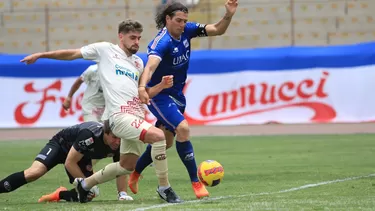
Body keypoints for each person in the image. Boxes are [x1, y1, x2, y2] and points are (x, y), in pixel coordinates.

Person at [20, 19, 181, 203]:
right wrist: (41, 54)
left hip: (136, 115)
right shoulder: (105, 50)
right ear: (121, 36)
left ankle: (85, 185)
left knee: (126, 166)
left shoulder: (137, 63)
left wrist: (160, 86)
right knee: (159, 136)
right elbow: (72, 54)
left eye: (139, 38)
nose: (136, 42)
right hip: (118, 116)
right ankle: (164, 188)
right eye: (132, 37)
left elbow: (142, 95)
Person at [129, 0, 238, 199]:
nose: (182, 24)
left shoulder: (187, 30)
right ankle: (196, 183)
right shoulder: (162, 42)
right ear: (167, 19)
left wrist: (228, 15)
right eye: (178, 20)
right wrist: (143, 87)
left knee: (165, 142)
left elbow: (217, 30)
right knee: (184, 128)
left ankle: (135, 173)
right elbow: (150, 67)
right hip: (159, 94)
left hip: (177, 94)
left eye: (184, 20)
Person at [0, 121, 123, 203]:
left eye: (120, 137)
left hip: (79, 154)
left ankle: (59, 194)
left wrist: (122, 194)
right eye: (114, 137)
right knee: (34, 173)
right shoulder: (90, 135)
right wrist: (86, 183)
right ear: (105, 134)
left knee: (88, 194)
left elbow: (121, 168)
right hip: (60, 146)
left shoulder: (118, 144)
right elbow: (70, 162)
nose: (117, 142)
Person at [61, 63, 133, 200]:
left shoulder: (119, 74)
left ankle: (86, 181)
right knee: (97, 142)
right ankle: (83, 177)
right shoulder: (92, 70)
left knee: (113, 146)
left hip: (107, 111)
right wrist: (69, 97)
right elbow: (78, 81)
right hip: (91, 109)